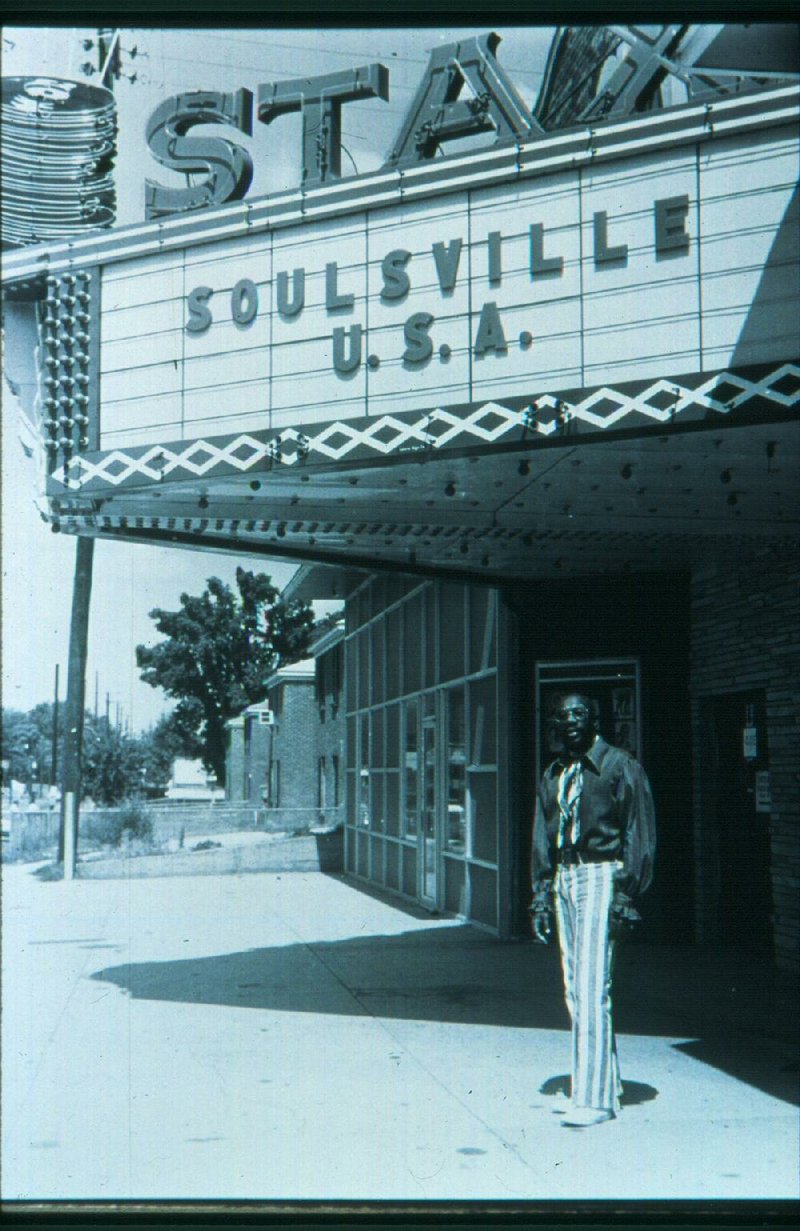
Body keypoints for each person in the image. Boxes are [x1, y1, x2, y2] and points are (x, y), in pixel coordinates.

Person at [530, 692, 656, 1128]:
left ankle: (595, 1099)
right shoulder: (555, 773)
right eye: (562, 715)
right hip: (565, 876)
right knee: (574, 987)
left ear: (594, 718)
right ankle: (605, 1082)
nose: (570, 722)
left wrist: (627, 895)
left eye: (579, 713)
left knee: (591, 985)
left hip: (602, 874)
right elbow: (542, 838)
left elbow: (639, 833)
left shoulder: (620, 766)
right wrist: (541, 893)